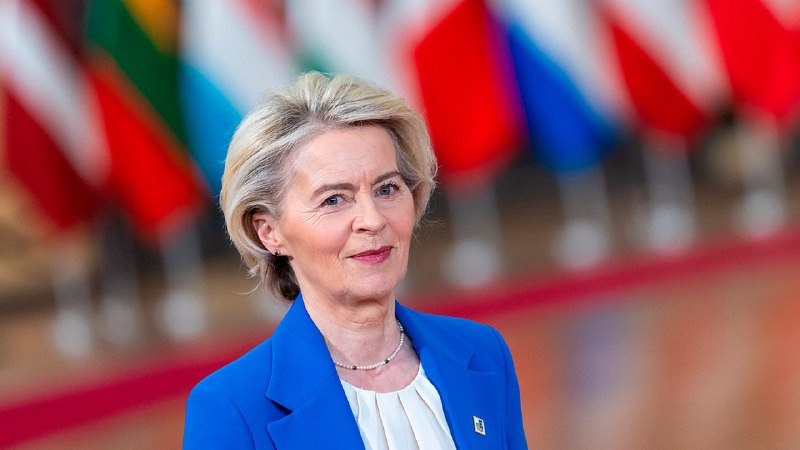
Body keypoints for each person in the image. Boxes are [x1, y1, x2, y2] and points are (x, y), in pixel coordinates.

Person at [182, 71, 527, 449]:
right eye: (334, 199)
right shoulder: (230, 408)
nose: (372, 219)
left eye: (387, 189)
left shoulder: (482, 353)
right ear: (270, 232)